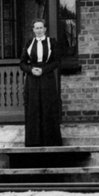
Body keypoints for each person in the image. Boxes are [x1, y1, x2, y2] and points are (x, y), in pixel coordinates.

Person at [19, 18, 62, 147]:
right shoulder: (29, 43)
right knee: (33, 108)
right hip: (32, 80)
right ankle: (34, 142)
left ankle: (50, 141)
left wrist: (43, 70)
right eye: (36, 28)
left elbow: (56, 61)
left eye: (41, 28)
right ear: (33, 30)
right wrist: (30, 70)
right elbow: (22, 63)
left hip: (47, 78)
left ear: (45, 29)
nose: (39, 30)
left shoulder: (51, 42)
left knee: (48, 107)